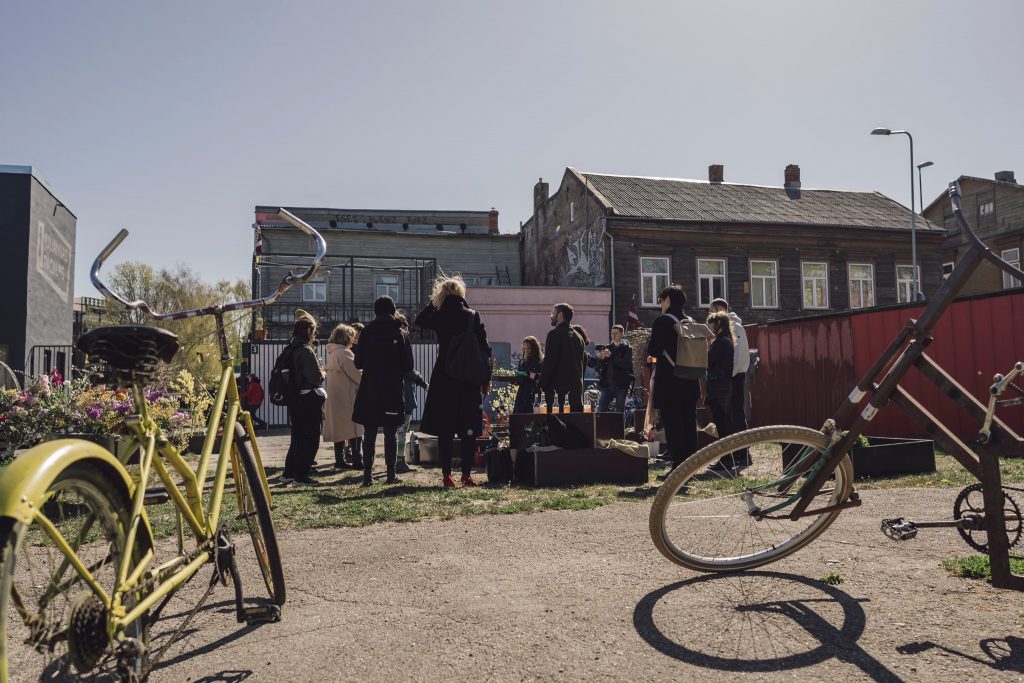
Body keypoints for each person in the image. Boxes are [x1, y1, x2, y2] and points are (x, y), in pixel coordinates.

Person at [416, 275, 491, 488]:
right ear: (461, 294)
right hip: (469, 379)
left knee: (446, 430)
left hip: (445, 377)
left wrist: (433, 304)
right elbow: (486, 349)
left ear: (442, 295)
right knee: (469, 429)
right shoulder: (473, 316)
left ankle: (447, 476)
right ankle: (466, 475)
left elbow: (419, 321)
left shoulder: (439, 315)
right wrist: (485, 378)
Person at [353, 296, 414, 486]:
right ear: (393, 310)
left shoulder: (367, 331)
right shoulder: (400, 332)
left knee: (369, 433)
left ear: (375, 311)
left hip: (370, 387)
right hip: (393, 389)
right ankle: (390, 474)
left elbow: (358, 362)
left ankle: (367, 475)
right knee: (391, 433)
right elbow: (408, 365)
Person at [644, 285, 701, 479]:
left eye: (661, 301)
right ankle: (690, 469)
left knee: (674, 426)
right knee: (688, 425)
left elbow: (653, 351)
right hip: (691, 380)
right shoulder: (691, 321)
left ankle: (678, 470)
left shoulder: (663, 321)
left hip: (670, 383)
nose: (660, 305)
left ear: (667, 300)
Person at [281, 309, 326, 487]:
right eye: (313, 331)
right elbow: (315, 377)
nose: (314, 334)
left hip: (295, 398)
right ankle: (301, 476)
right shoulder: (306, 351)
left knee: (298, 437)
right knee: (311, 438)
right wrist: (322, 373)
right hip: (308, 399)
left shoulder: (290, 348)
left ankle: (289, 473)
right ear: (309, 331)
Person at [322, 324, 363, 470]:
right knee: (355, 429)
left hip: (335, 396)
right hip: (347, 396)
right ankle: (357, 460)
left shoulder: (333, 352)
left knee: (338, 429)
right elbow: (356, 375)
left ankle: (340, 460)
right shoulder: (344, 353)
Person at [709, 297, 750, 439]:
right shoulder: (725, 331)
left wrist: (729, 376)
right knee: (729, 416)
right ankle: (736, 452)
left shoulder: (735, 327)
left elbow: (738, 354)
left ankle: (743, 452)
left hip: (734, 377)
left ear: (720, 311)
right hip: (729, 377)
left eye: (713, 312)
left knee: (736, 413)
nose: (710, 316)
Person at [394, 312, 428, 474]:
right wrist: (422, 382)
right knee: (402, 428)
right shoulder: (402, 342)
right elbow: (409, 370)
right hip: (404, 393)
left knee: (393, 429)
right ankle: (400, 459)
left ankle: (393, 459)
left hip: (390, 393)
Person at [705, 311, 737, 470]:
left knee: (722, 425)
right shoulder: (725, 341)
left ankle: (726, 460)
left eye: (710, 324)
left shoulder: (721, 342)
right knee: (723, 424)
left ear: (717, 324)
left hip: (719, 389)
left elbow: (707, 360)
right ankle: (727, 459)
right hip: (722, 388)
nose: (708, 327)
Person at [539, 303, 584, 412]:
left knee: (556, 428)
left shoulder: (554, 335)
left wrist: (540, 385)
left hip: (558, 397)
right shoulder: (579, 337)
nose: (551, 315)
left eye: (553, 313)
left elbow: (550, 363)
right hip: (576, 394)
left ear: (560, 315)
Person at [591, 325, 633, 415]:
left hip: (621, 385)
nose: (613, 335)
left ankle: (619, 429)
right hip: (607, 385)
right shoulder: (608, 347)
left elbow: (626, 364)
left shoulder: (627, 348)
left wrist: (611, 356)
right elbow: (600, 367)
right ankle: (601, 428)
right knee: (601, 410)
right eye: (612, 333)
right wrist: (601, 359)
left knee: (619, 412)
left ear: (622, 334)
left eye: (616, 333)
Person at [512, 336, 543, 414]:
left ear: (534, 348)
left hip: (533, 394)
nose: (526, 350)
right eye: (524, 348)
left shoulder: (539, 362)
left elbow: (536, 376)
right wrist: (515, 380)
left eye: (528, 348)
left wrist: (526, 374)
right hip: (522, 395)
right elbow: (520, 375)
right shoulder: (522, 362)